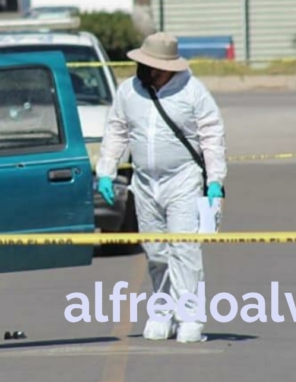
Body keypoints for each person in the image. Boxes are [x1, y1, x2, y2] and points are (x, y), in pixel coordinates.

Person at [95, 32, 226, 343]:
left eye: (150, 65)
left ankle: (190, 317)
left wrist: (216, 182)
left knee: (184, 250)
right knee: (156, 252)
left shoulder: (194, 93)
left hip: (183, 181)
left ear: (167, 68)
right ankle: (162, 313)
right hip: (145, 183)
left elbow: (212, 136)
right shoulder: (128, 91)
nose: (143, 69)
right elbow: (117, 130)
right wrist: (106, 170)